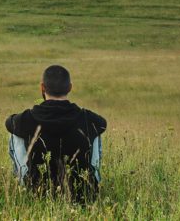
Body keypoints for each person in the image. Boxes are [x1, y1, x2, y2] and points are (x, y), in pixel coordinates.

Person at [6, 64, 106, 203]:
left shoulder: (26, 119)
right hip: (81, 195)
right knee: (96, 132)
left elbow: (9, 123)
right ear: (70, 87)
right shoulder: (88, 119)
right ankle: (93, 184)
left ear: (42, 87)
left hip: (38, 194)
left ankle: (25, 186)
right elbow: (102, 124)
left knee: (15, 132)